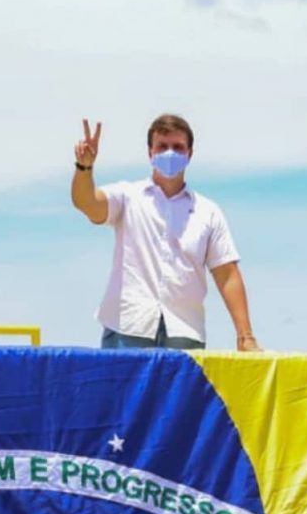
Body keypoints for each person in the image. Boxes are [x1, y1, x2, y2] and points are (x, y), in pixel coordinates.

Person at [71, 114, 262, 351]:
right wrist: (84, 167)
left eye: (178, 147)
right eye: (162, 146)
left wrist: (245, 337)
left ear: (190, 154)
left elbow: (227, 275)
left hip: (185, 332)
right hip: (128, 328)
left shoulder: (208, 212)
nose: (169, 153)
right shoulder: (127, 197)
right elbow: (87, 203)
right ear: (150, 152)